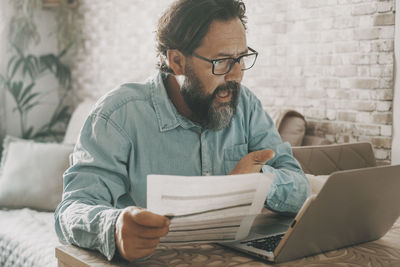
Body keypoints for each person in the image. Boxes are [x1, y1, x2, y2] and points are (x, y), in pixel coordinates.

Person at [54, 0, 311, 262]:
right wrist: (114, 226)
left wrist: (257, 181)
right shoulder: (118, 115)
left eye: (241, 59)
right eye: (221, 61)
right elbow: (71, 209)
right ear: (176, 61)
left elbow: (301, 187)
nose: (235, 76)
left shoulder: (246, 107)